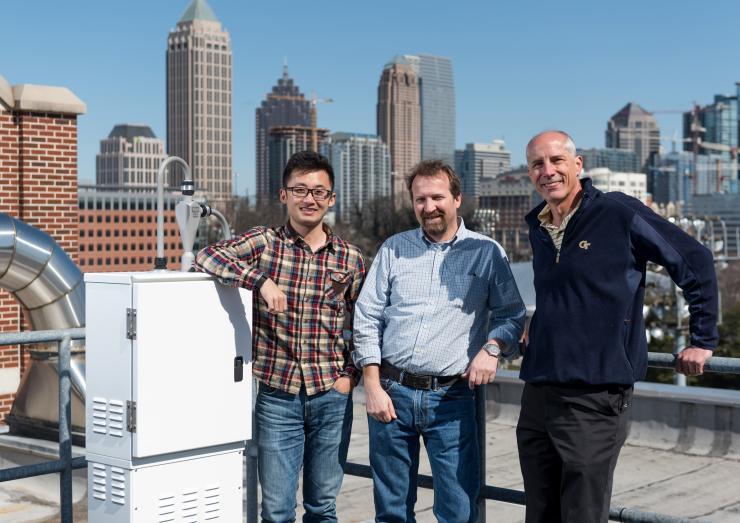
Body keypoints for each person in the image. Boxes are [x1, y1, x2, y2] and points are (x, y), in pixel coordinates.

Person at [518, 130, 718, 523]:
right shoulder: (538, 226)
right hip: (539, 392)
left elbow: (695, 261)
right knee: (540, 514)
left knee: (582, 515)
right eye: (537, 164)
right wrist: (539, 326)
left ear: (577, 165)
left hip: (595, 397)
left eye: (557, 160)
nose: (547, 171)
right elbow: (568, 292)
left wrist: (703, 340)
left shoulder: (617, 212)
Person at [195, 151, 365, 522]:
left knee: (323, 507)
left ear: (332, 199)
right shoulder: (265, 243)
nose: (310, 199)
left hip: (331, 397)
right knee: (276, 511)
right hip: (278, 397)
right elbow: (206, 256)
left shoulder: (349, 258)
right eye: (300, 189)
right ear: (283, 195)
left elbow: (365, 322)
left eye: (319, 192)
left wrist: (349, 376)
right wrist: (260, 281)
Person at [353, 159, 526, 523]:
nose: (428, 206)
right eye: (420, 199)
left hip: (451, 399)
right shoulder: (393, 249)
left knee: (457, 510)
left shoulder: (487, 252)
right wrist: (371, 384)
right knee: (391, 511)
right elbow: (366, 316)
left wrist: (492, 349)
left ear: (457, 198)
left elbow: (512, 314)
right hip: (391, 392)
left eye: (437, 197)